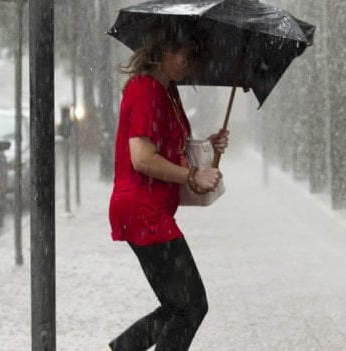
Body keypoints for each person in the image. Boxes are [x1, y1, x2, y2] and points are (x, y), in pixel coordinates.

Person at [105, 26, 229, 351]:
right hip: (142, 211)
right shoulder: (145, 90)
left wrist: (207, 146)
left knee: (178, 306)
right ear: (164, 50)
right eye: (185, 54)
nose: (190, 61)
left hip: (152, 211)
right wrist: (191, 177)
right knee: (192, 305)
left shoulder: (167, 90)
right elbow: (142, 158)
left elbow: (170, 146)